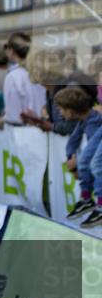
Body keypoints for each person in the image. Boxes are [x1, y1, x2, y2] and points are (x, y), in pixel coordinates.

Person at [58, 87, 102, 228]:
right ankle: (87, 198)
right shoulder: (85, 120)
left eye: (61, 109)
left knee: (93, 165)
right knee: (86, 163)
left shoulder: (94, 121)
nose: (59, 113)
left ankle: (98, 203)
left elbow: (94, 153)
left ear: (70, 111)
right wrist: (70, 155)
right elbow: (73, 140)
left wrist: (77, 162)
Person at [0, 32, 35, 127]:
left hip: (23, 132)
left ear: (11, 51)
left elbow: (13, 115)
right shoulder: (38, 72)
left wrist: (4, 119)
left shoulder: (13, 76)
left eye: (6, 47)